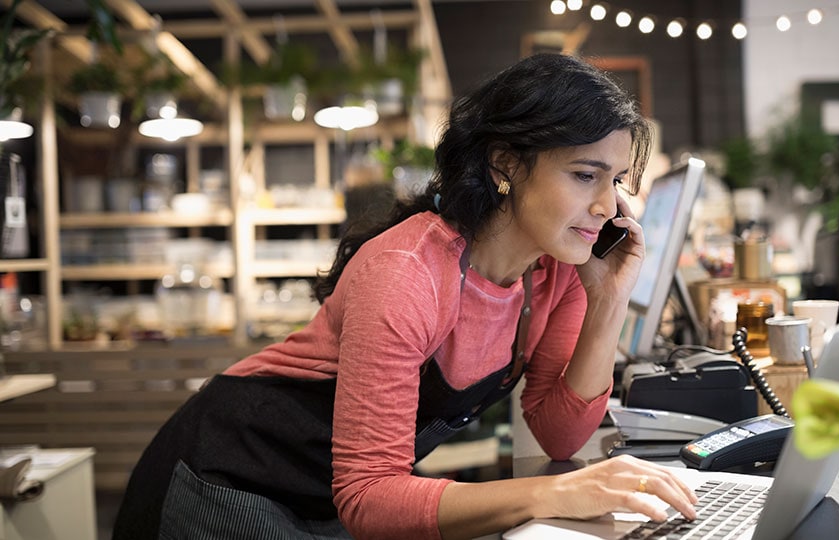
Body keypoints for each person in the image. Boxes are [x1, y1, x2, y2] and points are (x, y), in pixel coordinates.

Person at [112, 52, 698, 540]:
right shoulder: (407, 271)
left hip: (327, 497)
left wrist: (609, 300)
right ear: (505, 165)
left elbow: (560, 434)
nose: (607, 206)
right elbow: (369, 496)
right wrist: (551, 492)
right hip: (229, 480)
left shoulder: (557, 270)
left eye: (615, 180)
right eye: (584, 175)